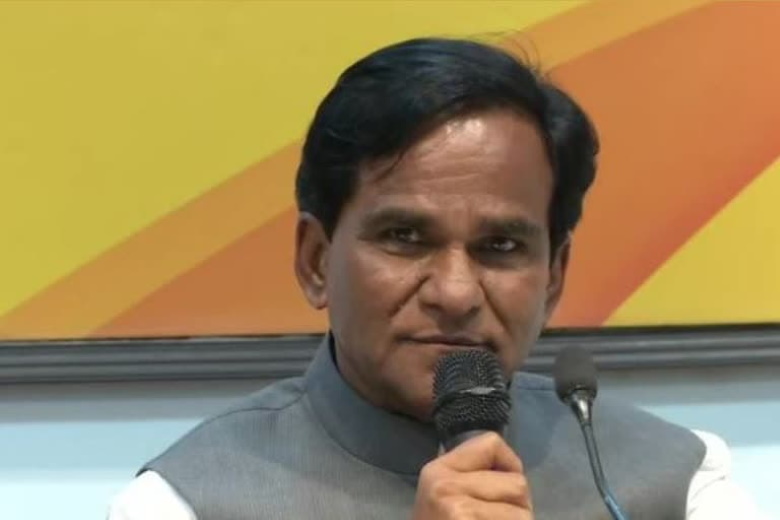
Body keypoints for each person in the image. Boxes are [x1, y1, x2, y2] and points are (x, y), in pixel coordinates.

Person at [109, 37, 768, 520]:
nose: (455, 293)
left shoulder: (676, 485)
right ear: (316, 260)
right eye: (405, 238)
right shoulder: (189, 501)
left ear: (553, 278)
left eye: (501, 246)